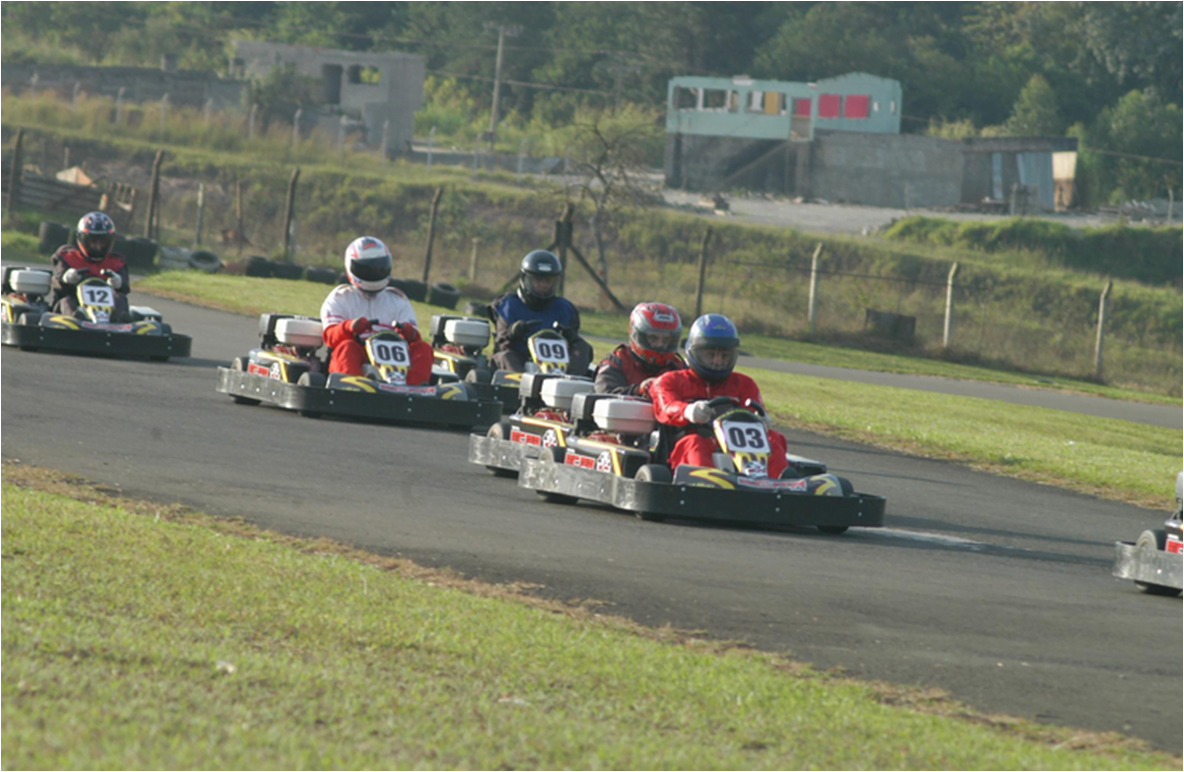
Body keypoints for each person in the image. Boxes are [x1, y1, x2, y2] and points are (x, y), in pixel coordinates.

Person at [649, 313, 790, 477]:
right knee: (693, 443)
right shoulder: (669, 381)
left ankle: (778, 484)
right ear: (694, 351)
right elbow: (665, 407)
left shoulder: (744, 384)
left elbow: (755, 416)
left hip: (737, 448)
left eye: (724, 356)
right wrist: (688, 411)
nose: (718, 361)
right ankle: (705, 486)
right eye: (711, 355)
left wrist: (761, 419)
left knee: (773, 438)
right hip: (690, 442)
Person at [319, 236, 433, 384]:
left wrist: (408, 332)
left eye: (379, 267)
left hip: (396, 361)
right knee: (347, 347)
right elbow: (330, 337)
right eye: (367, 268)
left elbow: (414, 339)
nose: (373, 272)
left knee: (423, 348)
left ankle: (414, 389)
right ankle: (351, 388)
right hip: (359, 354)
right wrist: (349, 327)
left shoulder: (398, 300)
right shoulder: (340, 298)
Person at [490, 249, 593, 373]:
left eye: (548, 281)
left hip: (558, 366)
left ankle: (572, 383)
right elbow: (501, 344)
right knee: (506, 356)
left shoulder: (565, 309)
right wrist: (512, 332)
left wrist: (571, 337)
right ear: (525, 279)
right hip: (520, 361)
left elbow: (579, 349)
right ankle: (523, 386)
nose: (543, 285)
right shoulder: (508, 306)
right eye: (538, 280)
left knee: (584, 347)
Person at [49, 212, 130, 321]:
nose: (97, 247)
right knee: (66, 301)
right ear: (82, 239)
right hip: (75, 307)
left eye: (102, 243)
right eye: (93, 242)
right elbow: (57, 280)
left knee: (120, 299)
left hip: (108, 313)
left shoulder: (115, 262)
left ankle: (120, 322)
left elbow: (125, 287)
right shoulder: (68, 257)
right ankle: (75, 319)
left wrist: (119, 282)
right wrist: (66, 277)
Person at [594, 302, 685, 397]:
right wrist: (638, 390)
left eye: (666, 340)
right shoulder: (617, 363)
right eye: (653, 338)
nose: (660, 345)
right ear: (637, 335)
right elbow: (604, 395)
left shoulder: (679, 367)